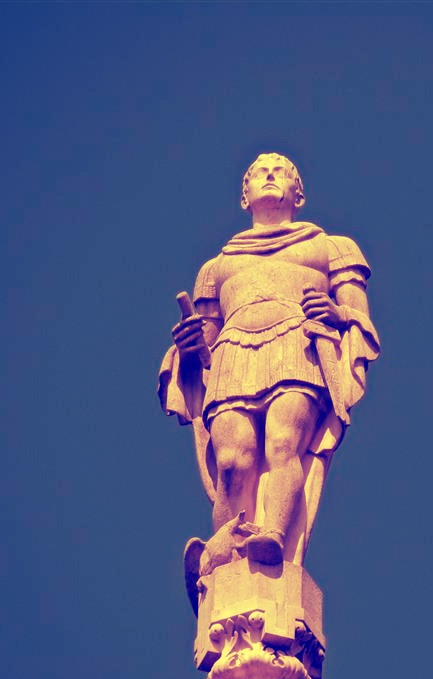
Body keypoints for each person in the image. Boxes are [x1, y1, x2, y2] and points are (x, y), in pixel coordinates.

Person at [158, 153, 380, 566]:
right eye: (260, 173)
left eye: (281, 172)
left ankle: (273, 535)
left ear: (299, 194)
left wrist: (336, 314)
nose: (271, 176)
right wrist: (189, 346)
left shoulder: (331, 248)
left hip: (298, 347)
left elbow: (358, 316)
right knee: (231, 463)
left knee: (283, 444)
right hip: (232, 356)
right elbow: (206, 342)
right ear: (245, 197)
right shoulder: (216, 268)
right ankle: (226, 551)